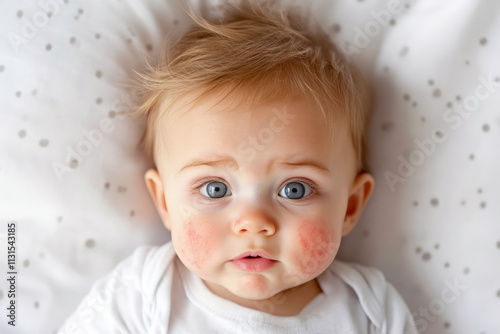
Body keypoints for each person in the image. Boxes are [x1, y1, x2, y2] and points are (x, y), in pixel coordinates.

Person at [58, 0, 417, 332]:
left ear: (350, 206)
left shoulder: (368, 309)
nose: (254, 222)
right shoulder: (145, 292)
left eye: (295, 189)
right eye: (215, 189)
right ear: (166, 202)